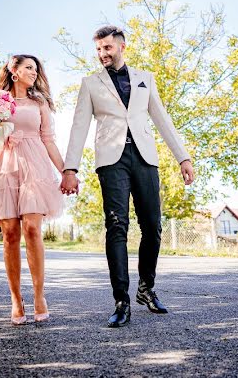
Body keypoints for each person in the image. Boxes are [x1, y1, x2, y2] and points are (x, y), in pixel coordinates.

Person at [61, 26, 195, 327]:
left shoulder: (145, 79)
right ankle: (121, 300)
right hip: (111, 160)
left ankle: (146, 289)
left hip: (145, 157)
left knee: (153, 226)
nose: (102, 54)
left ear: (122, 47)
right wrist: (70, 168)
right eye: (98, 49)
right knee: (117, 225)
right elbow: (79, 126)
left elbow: (163, 119)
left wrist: (183, 157)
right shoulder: (90, 83)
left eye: (107, 48)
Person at [0, 54, 65, 325]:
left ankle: (39, 296)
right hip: (5, 166)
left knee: (33, 229)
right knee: (10, 233)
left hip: (34, 165)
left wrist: (66, 172)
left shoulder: (40, 103)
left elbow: (49, 140)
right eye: (28, 68)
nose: (34, 73)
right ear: (14, 71)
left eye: (36, 68)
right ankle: (15, 298)